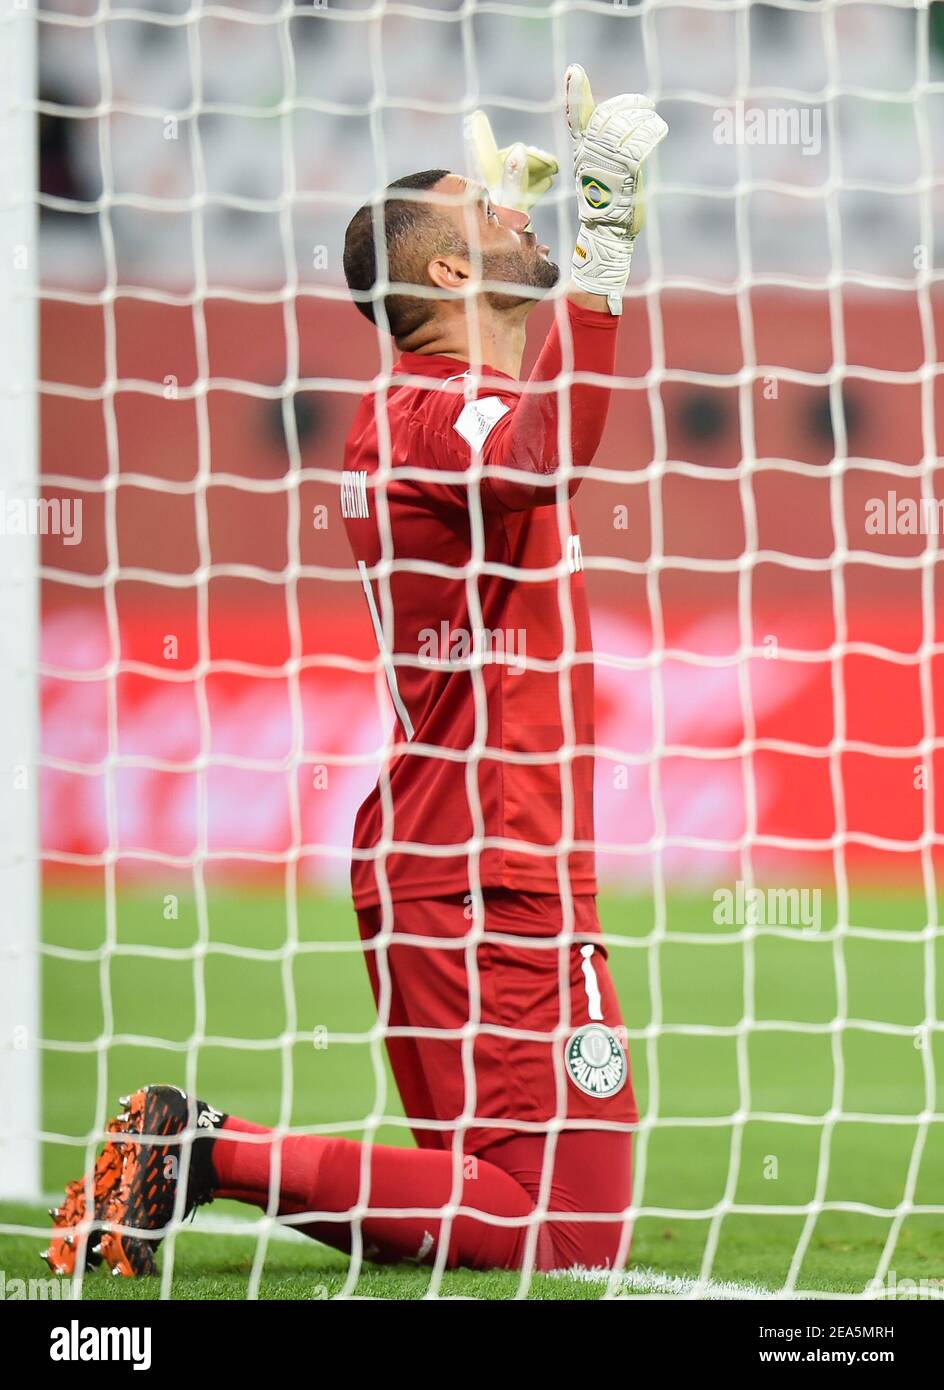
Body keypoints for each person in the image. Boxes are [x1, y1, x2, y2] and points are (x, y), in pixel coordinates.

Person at [44, 66, 667, 1279]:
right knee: (555, 1230)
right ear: (442, 278)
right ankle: (205, 1152)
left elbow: (518, 424)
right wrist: (597, 258)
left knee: (516, 1213)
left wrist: (524, 267)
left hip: (494, 860)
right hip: (482, 868)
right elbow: (543, 455)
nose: (516, 215)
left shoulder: (439, 402)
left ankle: (205, 1157)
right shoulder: (433, 416)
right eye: (488, 219)